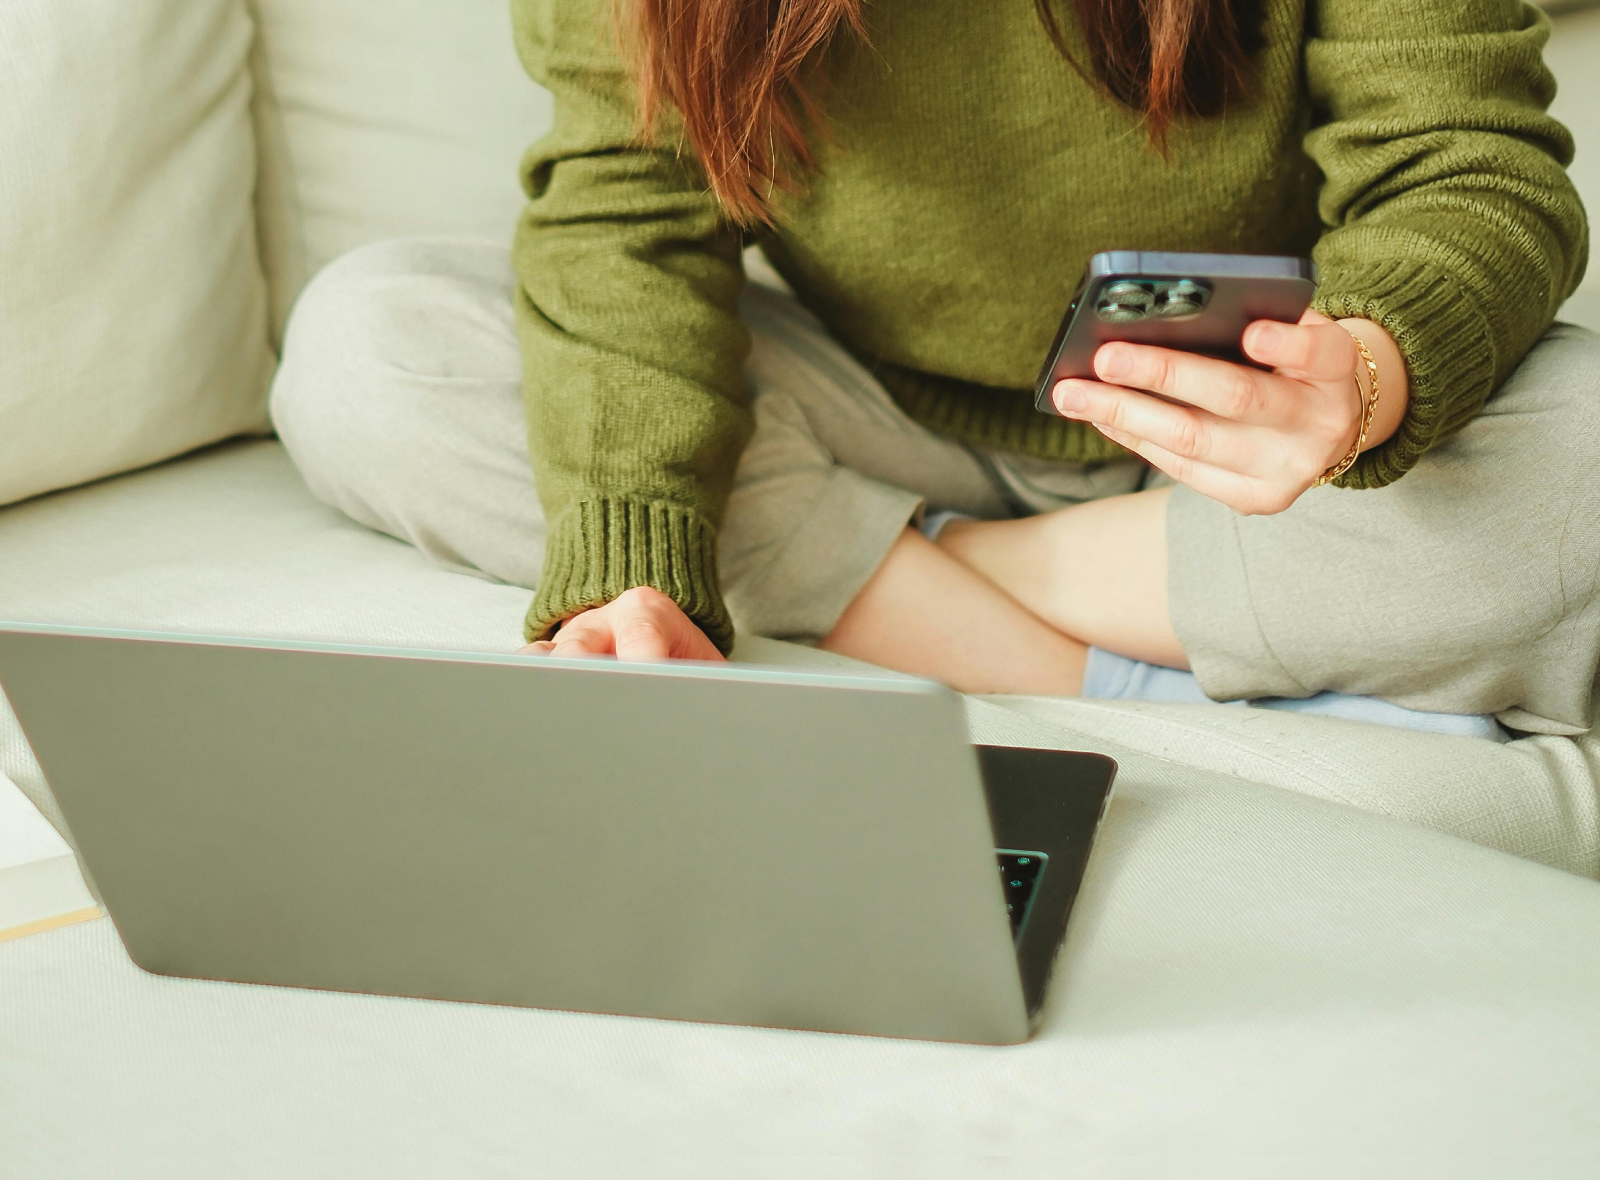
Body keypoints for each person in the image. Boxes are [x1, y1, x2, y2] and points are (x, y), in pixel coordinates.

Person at [270, 0, 1599, 739]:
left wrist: (1365, 374)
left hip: (1245, 448)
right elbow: (622, 219)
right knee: (372, 345)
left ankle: (924, 599)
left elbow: (1466, 166)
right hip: (873, 414)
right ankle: (1117, 682)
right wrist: (639, 555)